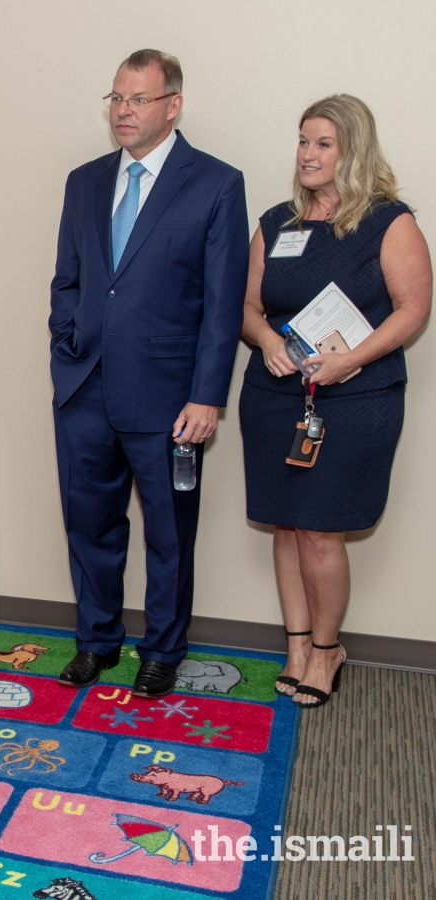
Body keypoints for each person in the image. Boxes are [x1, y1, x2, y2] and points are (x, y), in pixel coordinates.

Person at [49, 50, 249, 697]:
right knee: (90, 525)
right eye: (116, 99)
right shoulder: (84, 181)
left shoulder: (216, 184)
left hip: (169, 401)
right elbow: (68, 283)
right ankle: (96, 641)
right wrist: (66, 350)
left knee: (169, 534)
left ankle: (162, 648)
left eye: (138, 99)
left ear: (173, 105)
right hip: (85, 392)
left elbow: (223, 305)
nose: (124, 111)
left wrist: (207, 397)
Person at [238, 95, 431, 707]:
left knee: (320, 531)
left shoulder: (388, 221)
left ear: (353, 151)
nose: (307, 154)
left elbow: (414, 310)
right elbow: (246, 307)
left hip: (355, 398)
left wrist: (351, 359)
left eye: (323, 143)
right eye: (302, 141)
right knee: (286, 524)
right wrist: (267, 338)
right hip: (274, 396)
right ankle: (296, 646)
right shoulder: (277, 222)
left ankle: (327, 650)